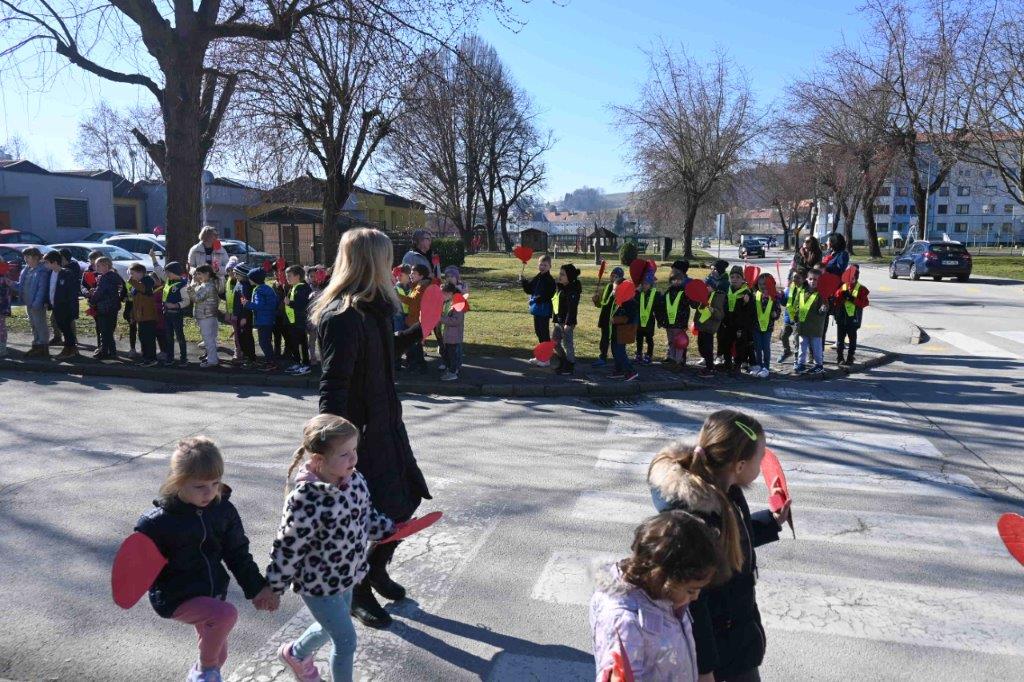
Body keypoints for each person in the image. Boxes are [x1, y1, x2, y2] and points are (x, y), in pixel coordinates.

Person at [314, 227, 431, 630]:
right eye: (387, 257)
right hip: (357, 436)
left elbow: (382, 352)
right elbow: (333, 384)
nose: (393, 265)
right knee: (368, 515)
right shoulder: (342, 316)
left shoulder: (374, 308)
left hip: (387, 425)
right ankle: (358, 589)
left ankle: (377, 569)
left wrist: (419, 331)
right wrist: (333, 449)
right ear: (371, 262)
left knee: (406, 501)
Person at [647, 410, 790, 682]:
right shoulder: (697, 519)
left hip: (735, 636)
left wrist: (771, 522)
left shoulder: (725, 491)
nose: (763, 464)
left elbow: (728, 539)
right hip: (720, 649)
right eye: (760, 457)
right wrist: (705, 671)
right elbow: (694, 605)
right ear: (740, 465)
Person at [134, 437, 278, 682]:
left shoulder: (223, 511)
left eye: (215, 483)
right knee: (224, 617)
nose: (210, 492)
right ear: (177, 481)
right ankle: (204, 672)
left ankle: (202, 674)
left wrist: (257, 588)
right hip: (176, 597)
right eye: (199, 486)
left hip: (212, 592)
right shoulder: (157, 522)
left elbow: (237, 553)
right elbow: (138, 564)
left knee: (219, 654)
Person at [268, 414, 396, 682]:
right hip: (317, 585)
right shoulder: (307, 498)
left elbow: (366, 516)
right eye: (344, 454)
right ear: (318, 459)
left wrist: (388, 529)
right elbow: (287, 547)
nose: (353, 459)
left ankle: (295, 654)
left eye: (354, 450)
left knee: (329, 628)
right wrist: (273, 587)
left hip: (348, 575)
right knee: (346, 640)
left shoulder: (354, 481)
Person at [590, 511, 718, 682]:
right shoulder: (624, 620)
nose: (695, 597)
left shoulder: (666, 601)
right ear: (662, 576)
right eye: (690, 590)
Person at [41, 251, 79, 361]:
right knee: (63, 328)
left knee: (67, 329)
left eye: (47, 262)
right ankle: (71, 348)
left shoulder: (67, 274)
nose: (45, 265)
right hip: (55, 306)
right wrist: (47, 301)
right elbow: (49, 289)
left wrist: (73, 309)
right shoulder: (50, 273)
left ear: (54, 262)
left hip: (65, 308)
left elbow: (72, 293)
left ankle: (69, 349)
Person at [718, 266, 753, 377]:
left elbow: (750, 311)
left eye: (738, 277)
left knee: (740, 346)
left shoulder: (747, 292)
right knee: (726, 343)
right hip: (727, 323)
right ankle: (727, 363)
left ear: (743, 279)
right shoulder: (727, 290)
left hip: (740, 325)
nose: (734, 279)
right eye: (732, 277)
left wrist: (746, 303)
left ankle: (737, 365)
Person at [521, 254, 556, 359]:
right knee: (538, 332)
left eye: (545, 265)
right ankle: (541, 355)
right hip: (537, 309)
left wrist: (538, 298)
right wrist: (524, 282)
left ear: (550, 266)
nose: (542, 267)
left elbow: (549, 294)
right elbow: (529, 289)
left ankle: (546, 358)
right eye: (541, 265)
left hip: (544, 310)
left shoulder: (550, 280)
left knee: (544, 333)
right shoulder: (538, 277)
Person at [16, 246, 50, 357]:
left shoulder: (42, 271)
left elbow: (42, 290)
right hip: (29, 303)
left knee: (40, 325)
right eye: (24, 256)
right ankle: (36, 345)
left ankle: (43, 347)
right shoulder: (27, 270)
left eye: (27, 256)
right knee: (33, 325)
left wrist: (37, 303)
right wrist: (10, 283)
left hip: (37, 304)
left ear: (35, 257)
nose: (25, 259)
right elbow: (21, 286)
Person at [243, 268, 279, 371]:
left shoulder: (258, 290)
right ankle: (270, 361)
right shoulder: (268, 288)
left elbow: (258, 306)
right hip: (269, 318)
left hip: (263, 320)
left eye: (250, 278)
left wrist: (247, 303)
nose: (248, 280)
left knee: (263, 342)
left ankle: (271, 363)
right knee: (267, 341)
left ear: (254, 279)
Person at [833, 264, 869, 366]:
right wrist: (840, 296)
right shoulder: (843, 287)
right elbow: (836, 301)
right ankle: (840, 357)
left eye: (853, 278)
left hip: (853, 319)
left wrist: (852, 299)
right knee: (840, 340)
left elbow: (864, 303)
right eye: (849, 278)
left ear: (856, 277)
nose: (851, 280)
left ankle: (850, 356)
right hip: (841, 318)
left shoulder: (861, 289)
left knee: (852, 339)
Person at [398, 264, 431, 373]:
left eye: (414, 273)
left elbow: (411, 301)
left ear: (421, 276)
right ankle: (419, 365)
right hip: (414, 319)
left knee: (414, 344)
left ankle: (415, 365)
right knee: (416, 344)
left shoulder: (420, 287)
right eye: (411, 273)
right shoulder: (417, 285)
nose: (411, 275)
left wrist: (396, 295)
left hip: (415, 320)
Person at [89, 256, 124, 359]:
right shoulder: (115, 276)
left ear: (106, 266)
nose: (96, 267)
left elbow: (100, 292)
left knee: (104, 331)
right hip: (113, 307)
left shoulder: (105, 278)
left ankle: (105, 352)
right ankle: (111, 352)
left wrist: (92, 301)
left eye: (98, 266)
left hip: (104, 307)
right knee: (109, 330)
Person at [796, 269, 828, 375]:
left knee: (816, 346)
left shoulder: (821, 294)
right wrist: (795, 314)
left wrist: (823, 309)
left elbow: (825, 307)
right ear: (807, 279)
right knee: (802, 345)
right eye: (810, 279)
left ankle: (819, 365)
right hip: (803, 325)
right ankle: (801, 364)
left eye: (815, 279)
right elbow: (797, 305)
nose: (812, 281)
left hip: (815, 326)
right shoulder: (802, 291)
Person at [127, 263, 160, 367]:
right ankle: (146, 358)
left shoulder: (148, 281)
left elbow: (144, 289)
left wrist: (132, 281)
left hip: (148, 316)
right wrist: (133, 315)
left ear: (140, 272)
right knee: (142, 338)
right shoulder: (137, 284)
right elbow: (135, 302)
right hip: (140, 316)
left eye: (132, 273)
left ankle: (151, 359)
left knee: (149, 338)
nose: (131, 276)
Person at [591, 267, 624, 368]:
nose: (613, 278)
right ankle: (602, 357)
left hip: (614, 320)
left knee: (615, 342)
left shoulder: (621, 289)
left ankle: (618, 360)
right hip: (605, 319)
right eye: (612, 275)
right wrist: (596, 300)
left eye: (616, 276)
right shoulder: (607, 287)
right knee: (604, 340)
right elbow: (601, 304)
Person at [190, 265, 222, 368]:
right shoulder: (209, 284)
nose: (197, 276)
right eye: (197, 274)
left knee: (208, 340)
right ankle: (212, 358)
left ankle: (212, 361)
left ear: (207, 273)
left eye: (199, 274)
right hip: (209, 315)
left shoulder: (207, 286)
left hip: (205, 316)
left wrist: (190, 290)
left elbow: (197, 298)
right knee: (211, 339)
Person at [48, 248, 81, 348]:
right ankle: (58, 337)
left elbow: (71, 289)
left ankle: (72, 341)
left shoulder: (69, 270)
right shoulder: (56, 270)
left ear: (64, 258)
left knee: (68, 322)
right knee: (54, 319)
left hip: (66, 303)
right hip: (58, 302)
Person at [553, 263, 581, 375]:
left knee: (567, 344)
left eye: (563, 274)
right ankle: (563, 361)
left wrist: (568, 324)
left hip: (567, 322)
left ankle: (570, 366)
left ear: (569, 277)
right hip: (559, 320)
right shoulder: (561, 287)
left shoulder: (572, 290)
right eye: (560, 273)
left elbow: (572, 309)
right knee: (554, 342)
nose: (560, 276)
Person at [284, 265, 312, 375]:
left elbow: (302, 305)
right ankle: (297, 362)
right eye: (287, 276)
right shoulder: (294, 287)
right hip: (292, 320)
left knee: (301, 343)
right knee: (294, 343)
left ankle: (305, 365)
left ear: (298, 276)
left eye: (289, 276)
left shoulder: (303, 288)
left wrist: (289, 303)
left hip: (299, 321)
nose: (287, 278)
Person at [161, 262, 191, 367]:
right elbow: (159, 271)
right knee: (168, 337)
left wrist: (175, 305)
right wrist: (154, 259)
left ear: (174, 272)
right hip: (167, 314)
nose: (166, 274)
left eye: (168, 272)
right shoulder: (169, 281)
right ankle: (170, 357)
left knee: (180, 337)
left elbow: (186, 301)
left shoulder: (182, 285)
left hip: (176, 314)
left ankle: (183, 358)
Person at [751, 273, 780, 378]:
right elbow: (751, 309)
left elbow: (778, 310)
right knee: (757, 347)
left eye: (765, 284)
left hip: (768, 327)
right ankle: (759, 365)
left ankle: (766, 367)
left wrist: (775, 314)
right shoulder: (755, 295)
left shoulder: (774, 297)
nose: (763, 286)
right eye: (760, 284)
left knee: (766, 347)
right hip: (756, 327)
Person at [609, 279, 639, 382]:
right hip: (616, 331)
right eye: (613, 289)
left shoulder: (630, 303)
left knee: (620, 352)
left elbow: (630, 318)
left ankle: (631, 371)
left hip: (624, 332)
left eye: (615, 289)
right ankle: (619, 370)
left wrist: (616, 319)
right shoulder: (619, 300)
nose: (613, 292)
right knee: (614, 350)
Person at [693, 286, 725, 379]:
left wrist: (713, 311)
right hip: (701, 326)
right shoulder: (703, 295)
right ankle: (707, 364)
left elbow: (720, 315)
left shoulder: (718, 298)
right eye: (705, 286)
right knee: (701, 346)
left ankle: (710, 368)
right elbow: (697, 309)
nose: (706, 287)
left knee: (708, 348)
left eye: (708, 286)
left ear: (713, 287)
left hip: (709, 328)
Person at [659, 273, 690, 369]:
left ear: (682, 281)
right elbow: (663, 307)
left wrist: (685, 323)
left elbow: (686, 309)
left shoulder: (684, 293)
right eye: (674, 280)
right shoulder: (667, 293)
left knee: (679, 343)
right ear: (671, 281)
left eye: (679, 280)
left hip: (679, 324)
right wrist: (662, 320)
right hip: (668, 323)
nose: (676, 281)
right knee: (671, 342)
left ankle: (678, 361)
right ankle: (672, 359)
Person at [776, 269, 805, 365]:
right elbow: (784, 303)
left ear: (803, 279)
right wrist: (781, 296)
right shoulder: (789, 289)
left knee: (796, 341)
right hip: (788, 319)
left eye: (798, 278)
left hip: (798, 320)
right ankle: (787, 351)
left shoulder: (805, 290)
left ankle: (797, 359)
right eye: (793, 277)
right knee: (783, 336)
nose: (795, 279)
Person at [439, 283, 465, 381]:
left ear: (449, 293)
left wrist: (440, 318)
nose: (442, 296)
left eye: (443, 294)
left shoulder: (458, 303)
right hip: (450, 334)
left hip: (454, 335)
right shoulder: (450, 302)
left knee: (452, 355)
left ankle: (452, 373)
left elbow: (456, 320)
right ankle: (451, 371)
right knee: (449, 354)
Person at [634, 271, 660, 366]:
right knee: (639, 338)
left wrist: (660, 320)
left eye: (647, 284)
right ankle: (639, 354)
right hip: (639, 321)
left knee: (649, 339)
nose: (644, 286)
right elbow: (633, 301)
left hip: (649, 322)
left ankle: (649, 355)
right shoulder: (638, 294)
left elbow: (658, 308)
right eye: (643, 284)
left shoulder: (655, 294)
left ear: (651, 285)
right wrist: (636, 290)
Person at [0, 264, 12, 358]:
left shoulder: (3, 275)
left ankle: (2, 349)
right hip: (3, 306)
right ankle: (2, 349)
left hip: (2, 306)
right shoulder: (5, 273)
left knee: (1, 327)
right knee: (1, 326)